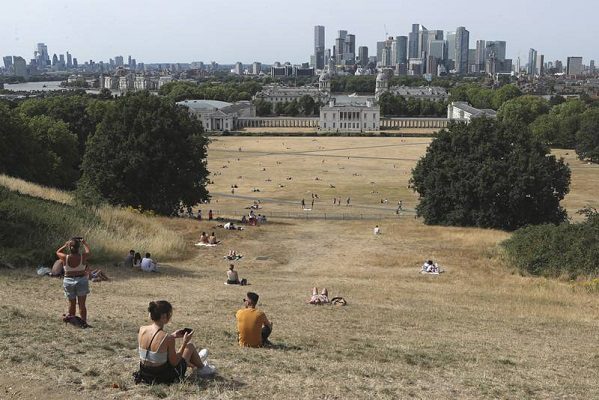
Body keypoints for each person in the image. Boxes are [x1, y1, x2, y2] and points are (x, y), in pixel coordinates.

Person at [137, 301, 208, 384]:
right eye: (169, 314)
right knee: (189, 346)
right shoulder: (167, 338)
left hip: (146, 374)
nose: (170, 316)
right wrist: (184, 342)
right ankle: (202, 368)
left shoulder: (141, 329)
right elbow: (175, 362)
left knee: (184, 351)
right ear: (164, 316)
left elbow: (153, 347)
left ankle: (197, 362)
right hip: (162, 377)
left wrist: (173, 335)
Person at [56, 238, 92, 327]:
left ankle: (73, 321)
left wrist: (65, 245)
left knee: (72, 303)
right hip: (81, 280)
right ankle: (84, 322)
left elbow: (57, 252)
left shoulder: (65, 257)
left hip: (68, 280)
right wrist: (84, 243)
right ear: (78, 248)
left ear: (70, 247)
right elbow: (89, 252)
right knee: (82, 304)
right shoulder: (82, 256)